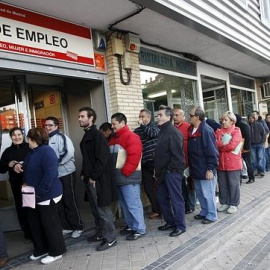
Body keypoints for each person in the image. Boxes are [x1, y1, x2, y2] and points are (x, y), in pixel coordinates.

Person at [15, 128, 66, 264]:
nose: (27, 141)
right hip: (33, 195)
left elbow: (50, 175)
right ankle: (41, 249)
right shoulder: (32, 152)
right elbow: (28, 165)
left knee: (50, 225)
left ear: (33, 139)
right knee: (35, 224)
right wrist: (19, 166)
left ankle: (57, 251)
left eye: (28, 138)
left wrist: (39, 192)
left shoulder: (47, 152)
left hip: (46, 195)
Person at [78, 107, 117, 251]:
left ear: (91, 118)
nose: (79, 119)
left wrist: (93, 176)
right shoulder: (88, 134)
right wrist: (84, 172)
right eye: (79, 116)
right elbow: (88, 158)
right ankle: (100, 233)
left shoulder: (97, 135)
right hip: (90, 179)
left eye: (82, 116)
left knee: (103, 210)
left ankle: (110, 239)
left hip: (98, 180)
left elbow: (103, 159)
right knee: (95, 210)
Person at [44, 117, 84, 238]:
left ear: (56, 126)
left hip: (66, 173)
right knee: (59, 201)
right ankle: (66, 226)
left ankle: (78, 226)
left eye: (50, 125)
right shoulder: (46, 139)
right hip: (55, 175)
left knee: (69, 200)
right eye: (46, 125)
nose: (47, 127)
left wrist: (55, 163)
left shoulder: (62, 137)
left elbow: (69, 152)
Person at [109, 112, 146, 240]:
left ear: (122, 123)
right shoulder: (114, 138)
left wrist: (124, 173)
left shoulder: (131, 136)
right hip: (120, 178)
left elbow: (134, 157)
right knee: (125, 205)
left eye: (114, 124)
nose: (112, 126)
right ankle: (131, 226)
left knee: (133, 204)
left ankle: (140, 229)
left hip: (128, 178)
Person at [155, 105, 186, 237]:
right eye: (158, 115)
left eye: (160, 115)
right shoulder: (161, 131)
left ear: (169, 117)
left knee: (176, 199)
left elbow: (178, 156)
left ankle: (180, 226)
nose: (158, 117)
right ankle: (170, 222)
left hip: (171, 172)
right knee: (162, 199)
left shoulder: (173, 132)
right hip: (161, 172)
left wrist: (170, 171)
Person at [0, 127, 32, 243]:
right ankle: (27, 235)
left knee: (32, 208)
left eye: (19, 134)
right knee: (21, 209)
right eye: (14, 135)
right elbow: (1, 169)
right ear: (11, 137)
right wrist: (9, 163)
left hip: (30, 183)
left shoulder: (29, 147)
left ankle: (37, 233)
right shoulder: (8, 151)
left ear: (23, 135)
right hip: (16, 184)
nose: (17, 137)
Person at [188, 107, 219, 224]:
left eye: (191, 115)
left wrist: (210, 168)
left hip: (205, 168)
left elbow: (212, 151)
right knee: (200, 193)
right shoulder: (192, 130)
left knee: (208, 193)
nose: (189, 117)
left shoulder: (206, 130)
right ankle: (204, 211)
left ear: (197, 117)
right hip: (196, 168)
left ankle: (211, 215)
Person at [134, 109, 160, 219]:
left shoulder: (155, 126)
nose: (140, 118)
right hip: (144, 162)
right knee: (148, 187)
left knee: (158, 187)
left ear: (148, 117)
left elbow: (153, 133)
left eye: (142, 116)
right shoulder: (137, 131)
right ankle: (156, 209)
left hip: (155, 162)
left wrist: (144, 126)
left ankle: (163, 209)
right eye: (139, 116)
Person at [215, 111, 242, 214]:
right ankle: (224, 202)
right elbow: (215, 143)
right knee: (222, 184)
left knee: (233, 184)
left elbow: (232, 145)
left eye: (226, 120)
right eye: (222, 120)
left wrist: (221, 145)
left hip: (233, 163)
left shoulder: (236, 131)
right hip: (221, 163)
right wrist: (223, 144)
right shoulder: (218, 131)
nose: (223, 122)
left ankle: (234, 204)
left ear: (232, 121)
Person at [173, 108, 195, 214]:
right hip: (178, 163)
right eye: (174, 115)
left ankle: (192, 204)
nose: (175, 117)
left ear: (183, 116)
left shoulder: (188, 127)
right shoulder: (172, 128)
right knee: (182, 186)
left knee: (191, 184)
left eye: (177, 115)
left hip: (189, 161)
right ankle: (187, 205)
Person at [235, 114, 254, 184]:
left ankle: (251, 177)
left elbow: (248, 137)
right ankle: (239, 179)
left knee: (248, 163)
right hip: (238, 148)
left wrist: (246, 148)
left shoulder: (243, 125)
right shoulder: (237, 125)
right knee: (239, 164)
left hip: (245, 148)